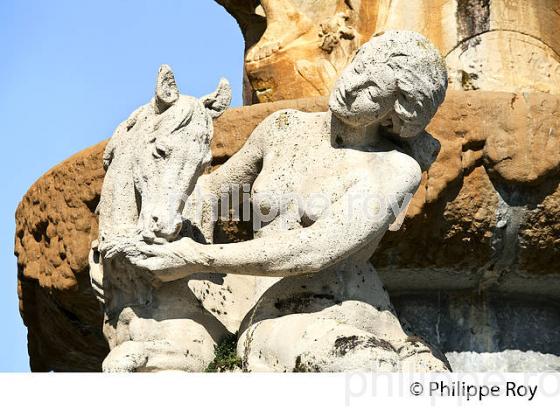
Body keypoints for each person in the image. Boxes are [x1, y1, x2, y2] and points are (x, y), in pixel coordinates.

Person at [125, 31, 450, 371]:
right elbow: (212, 195)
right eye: (358, 68)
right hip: (276, 313)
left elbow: (315, 249)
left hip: (342, 307)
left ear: (393, 116)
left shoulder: (395, 169)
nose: (351, 86)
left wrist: (197, 257)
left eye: (371, 91)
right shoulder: (283, 127)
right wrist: (151, 189)